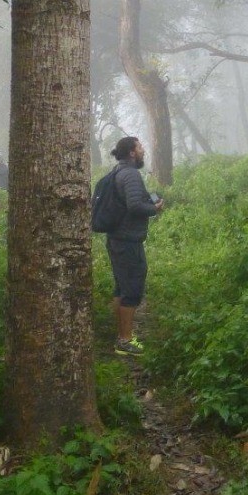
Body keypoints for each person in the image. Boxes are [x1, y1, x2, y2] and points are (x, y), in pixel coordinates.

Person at [105, 136, 164, 356]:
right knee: (132, 290)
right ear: (131, 152)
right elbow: (134, 206)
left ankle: (121, 336)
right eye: (140, 147)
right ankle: (125, 340)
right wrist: (155, 208)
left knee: (121, 288)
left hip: (117, 239)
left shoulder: (117, 171)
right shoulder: (130, 174)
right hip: (127, 242)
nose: (143, 150)